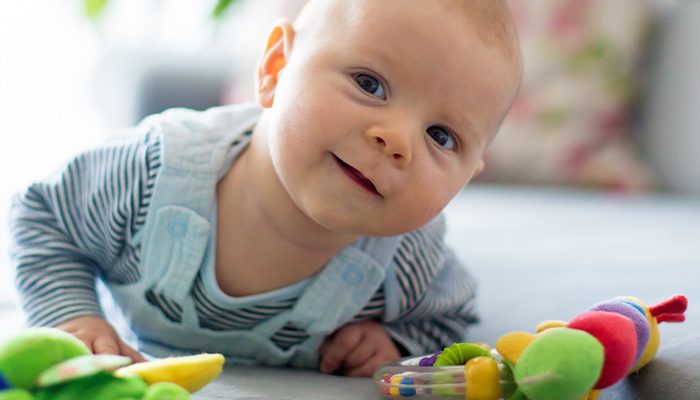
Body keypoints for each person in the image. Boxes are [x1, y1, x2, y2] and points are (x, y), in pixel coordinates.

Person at [9, 0, 522, 377]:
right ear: (276, 67)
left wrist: (391, 337)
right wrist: (72, 316)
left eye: (441, 136)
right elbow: (43, 215)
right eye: (370, 84)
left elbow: (451, 315)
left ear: (468, 175)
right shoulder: (152, 171)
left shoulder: (408, 257)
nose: (398, 142)